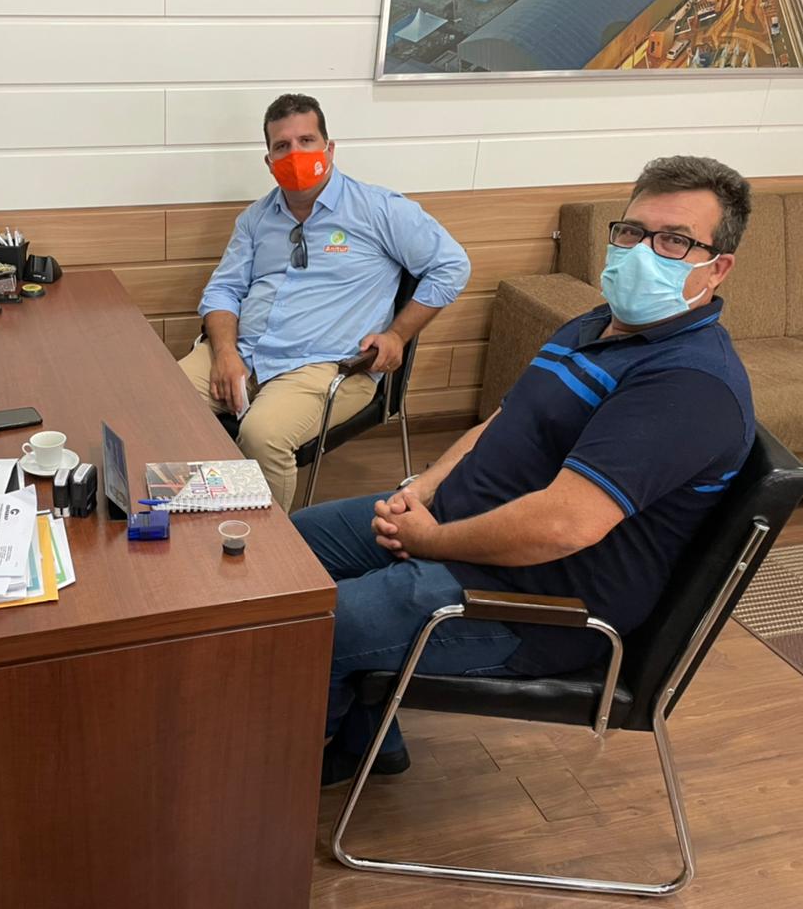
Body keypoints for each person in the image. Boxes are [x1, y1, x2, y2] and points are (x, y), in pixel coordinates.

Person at [292, 155, 755, 785]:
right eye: (632, 231)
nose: (642, 252)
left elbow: (564, 525)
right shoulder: (596, 324)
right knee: (288, 553)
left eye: (674, 241)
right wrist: (422, 488)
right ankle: (366, 737)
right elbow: (505, 420)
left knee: (304, 626)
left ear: (717, 267)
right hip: (453, 529)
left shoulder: (690, 384)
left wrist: (431, 540)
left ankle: (283, 775)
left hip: (533, 604)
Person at [178, 93, 470, 509]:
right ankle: (190, 514)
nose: (295, 154)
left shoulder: (379, 210)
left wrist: (397, 335)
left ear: (329, 148)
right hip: (245, 351)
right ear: (269, 161)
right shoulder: (255, 219)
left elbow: (451, 266)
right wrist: (225, 353)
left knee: (262, 435)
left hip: (326, 365)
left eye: (306, 141)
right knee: (160, 400)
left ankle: (269, 545)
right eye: (282, 146)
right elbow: (222, 291)